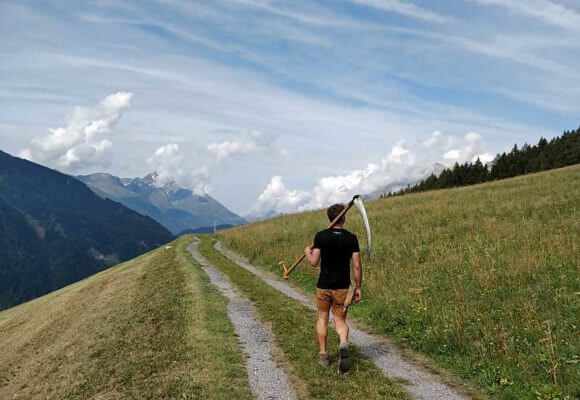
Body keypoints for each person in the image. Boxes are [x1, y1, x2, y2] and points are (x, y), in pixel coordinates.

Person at [304, 203, 362, 373]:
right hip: (343, 288)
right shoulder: (351, 238)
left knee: (322, 318)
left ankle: (323, 356)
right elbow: (357, 266)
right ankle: (343, 342)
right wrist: (358, 286)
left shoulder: (321, 236)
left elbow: (314, 262)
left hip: (324, 286)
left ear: (330, 218)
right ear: (343, 218)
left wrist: (307, 251)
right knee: (340, 321)